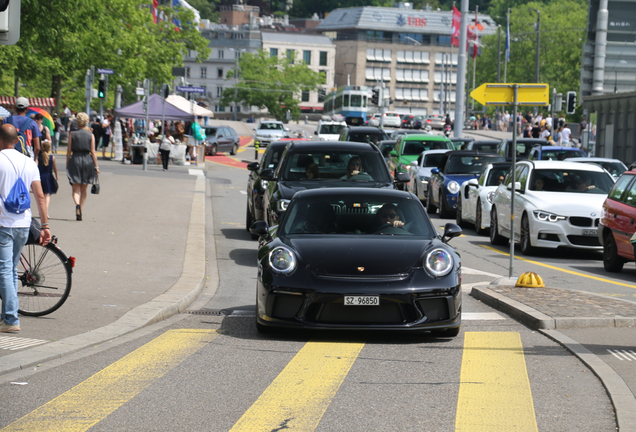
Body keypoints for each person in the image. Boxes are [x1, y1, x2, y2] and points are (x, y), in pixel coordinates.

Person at [0, 124, 50, 333]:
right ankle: (7, 317)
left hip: (3, 224)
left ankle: (11, 320)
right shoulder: (29, 162)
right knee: (10, 270)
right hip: (23, 224)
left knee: (4, 271)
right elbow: (39, 196)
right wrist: (45, 225)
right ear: (16, 139)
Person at [67, 112, 99, 221]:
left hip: (75, 159)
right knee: (84, 189)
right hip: (87, 160)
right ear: (86, 122)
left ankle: (76, 204)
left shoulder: (72, 134)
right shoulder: (91, 135)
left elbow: (68, 151)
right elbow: (93, 152)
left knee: (75, 188)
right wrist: (96, 166)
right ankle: (80, 208)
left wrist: (68, 164)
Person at [4, 97, 41, 162]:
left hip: (9, 156)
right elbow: (37, 147)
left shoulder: (7, 120)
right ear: (27, 108)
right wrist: (35, 158)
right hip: (26, 156)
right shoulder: (32, 123)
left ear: (15, 108)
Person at [38, 141, 58, 213]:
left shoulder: (38, 157)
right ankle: (45, 211)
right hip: (48, 177)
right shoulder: (52, 158)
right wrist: (56, 176)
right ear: (49, 148)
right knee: (47, 195)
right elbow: (54, 168)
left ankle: (41, 210)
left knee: (41, 195)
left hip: (40, 177)